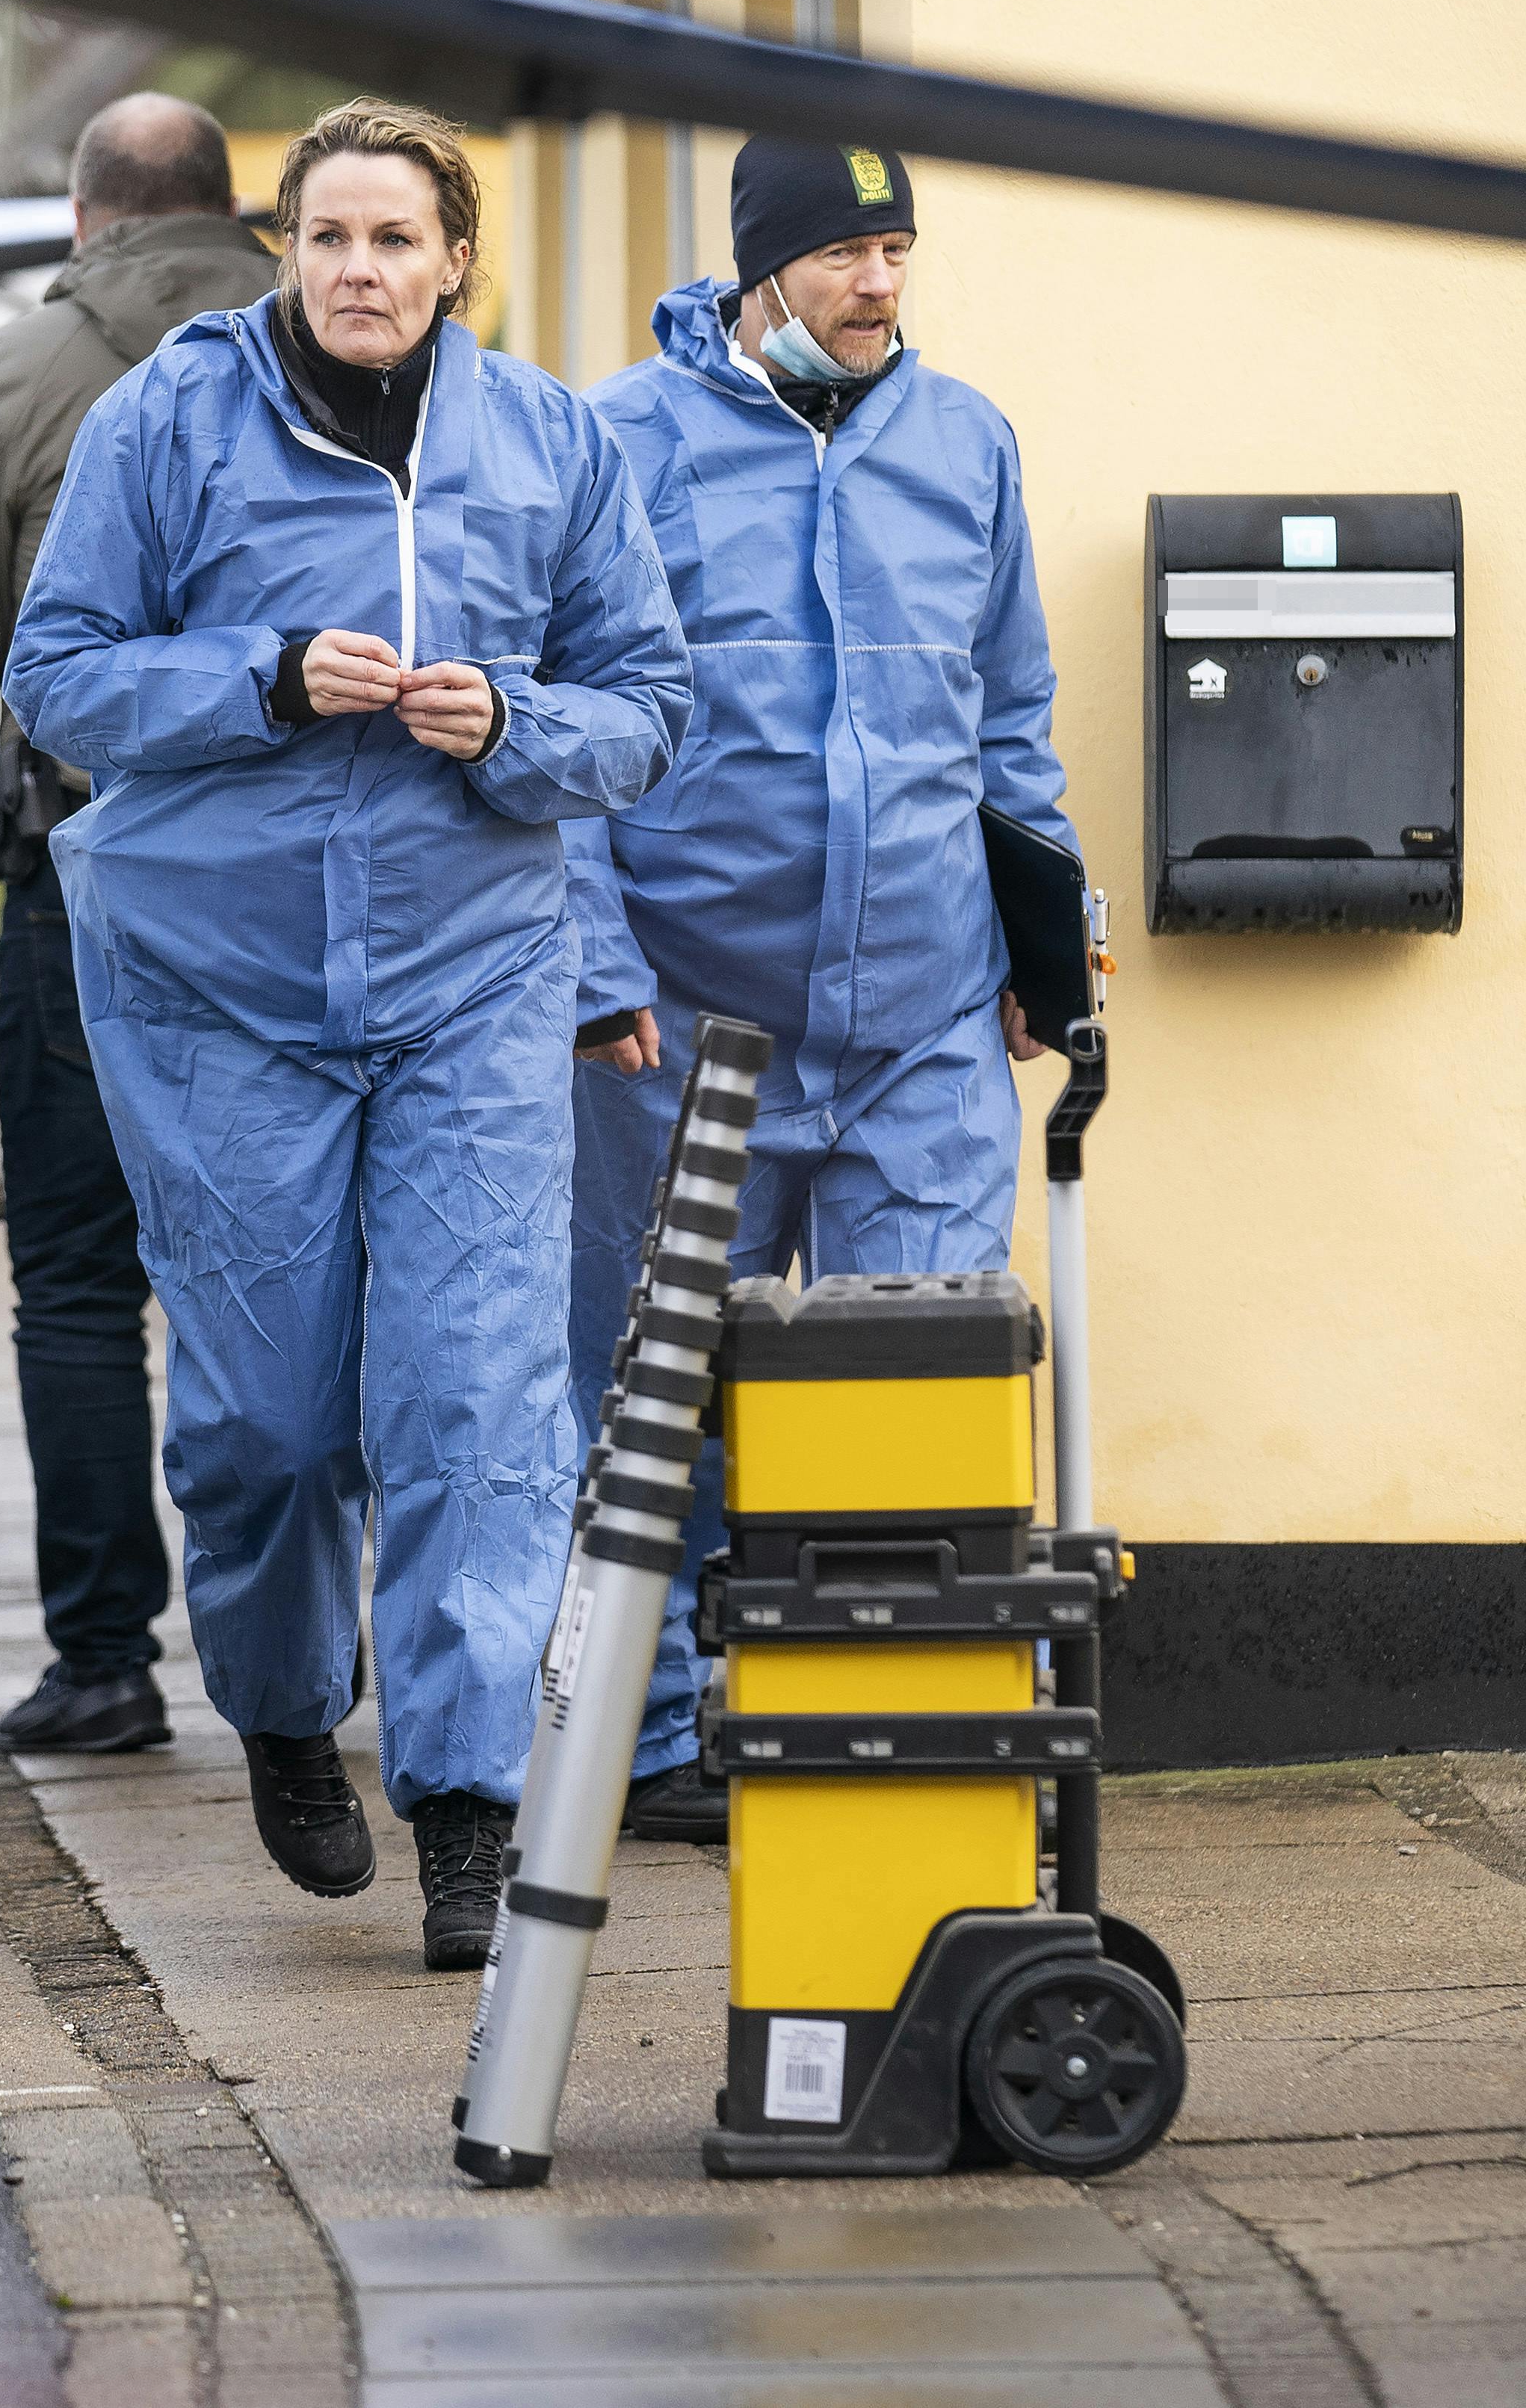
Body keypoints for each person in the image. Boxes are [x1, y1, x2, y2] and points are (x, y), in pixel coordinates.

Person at [2, 97, 688, 1970]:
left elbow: (647, 704)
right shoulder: (169, 419)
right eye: (328, 237)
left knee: (476, 1397)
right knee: (273, 1419)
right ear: (283, 250)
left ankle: (467, 1801)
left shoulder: (548, 439)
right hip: (219, 985)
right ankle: (288, 1706)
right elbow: (56, 678)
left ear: (457, 260)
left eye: (395, 239)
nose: (360, 271)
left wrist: (518, 726)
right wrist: (268, 679)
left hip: (473, 976)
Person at [566, 135, 1075, 1845]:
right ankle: (653, 1740)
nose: (878, 283)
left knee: (913, 1379)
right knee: (660, 1389)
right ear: (761, 267)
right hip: (683, 1030)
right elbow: (562, 742)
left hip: (920, 1021)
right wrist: (596, 967)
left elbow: (1010, 721)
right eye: (847, 252)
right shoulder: (620, 443)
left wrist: (1044, 948)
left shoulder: (966, 441)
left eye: (898, 250)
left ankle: (894, 1721)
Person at [0, 93, 281, 1758]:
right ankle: (329, 1650)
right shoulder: (340, 346)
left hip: (90, 885)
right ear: (234, 209)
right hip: (313, 893)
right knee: (319, 1264)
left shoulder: (18, 375)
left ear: (85, 218)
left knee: (82, 1282)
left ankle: (104, 1660)